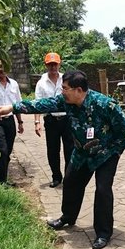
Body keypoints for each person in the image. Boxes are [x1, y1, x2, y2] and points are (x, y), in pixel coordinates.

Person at [0, 70, 125, 249]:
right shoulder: (65, 102)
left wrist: (116, 152)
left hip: (105, 155)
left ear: (79, 90)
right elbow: (41, 104)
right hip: (81, 153)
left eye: (65, 88)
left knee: (103, 190)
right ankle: (68, 217)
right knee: (71, 182)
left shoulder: (105, 105)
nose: (62, 91)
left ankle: (103, 233)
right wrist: (12, 108)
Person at [34, 53, 74, 188]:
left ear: (59, 64)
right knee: (52, 150)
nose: (52, 67)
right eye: (50, 64)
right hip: (51, 120)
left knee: (70, 149)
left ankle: (69, 177)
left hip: (67, 119)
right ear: (46, 65)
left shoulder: (67, 79)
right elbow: (37, 104)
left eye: (55, 64)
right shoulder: (41, 83)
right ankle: (56, 177)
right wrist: (37, 122)